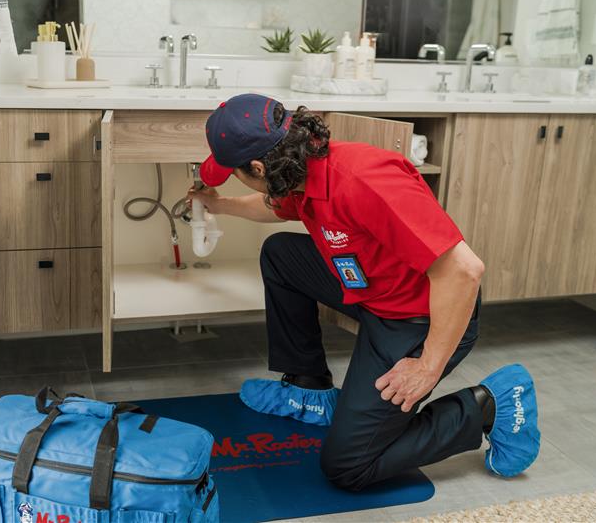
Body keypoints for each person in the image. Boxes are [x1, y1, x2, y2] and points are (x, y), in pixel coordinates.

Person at [188, 94, 540, 491]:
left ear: (257, 166)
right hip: (372, 290)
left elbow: (464, 271)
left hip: (417, 318)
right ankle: (309, 389)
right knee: (281, 253)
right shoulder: (298, 168)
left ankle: (490, 405)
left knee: (349, 466)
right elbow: (273, 206)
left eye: (233, 173)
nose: (235, 178)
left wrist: (428, 366)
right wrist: (218, 204)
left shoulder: (365, 179)